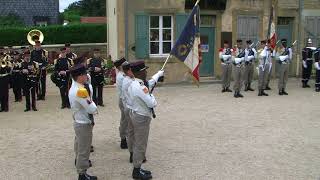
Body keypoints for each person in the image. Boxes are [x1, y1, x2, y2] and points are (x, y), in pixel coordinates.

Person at [128, 61, 162, 180]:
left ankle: (138, 167)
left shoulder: (137, 83)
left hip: (138, 114)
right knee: (140, 144)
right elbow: (152, 103)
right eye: (144, 70)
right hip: (141, 117)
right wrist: (152, 96)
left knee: (139, 143)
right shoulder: (140, 87)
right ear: (140, 72)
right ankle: (136, 171)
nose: (146, 72)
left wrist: (158, 74)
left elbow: (150, 82)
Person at [68, 64, 98, 180]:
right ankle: (82, 174)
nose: (87, 75)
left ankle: (81, 171)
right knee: (84, 150)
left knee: (79, 146)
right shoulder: (80, 91)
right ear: (79, 76)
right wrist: (91, 99)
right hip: (83, 123)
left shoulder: (75, 86)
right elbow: (92, 109)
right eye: (85, 74)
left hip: (78, 120)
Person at [114, 57, 129, 149]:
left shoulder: (123, 74)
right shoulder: (121, 76)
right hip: (124, 100)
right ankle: (123, 139)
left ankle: (125, 138)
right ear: (120, 66)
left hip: (125, 100)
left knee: (126, 120)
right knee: (125, 120)